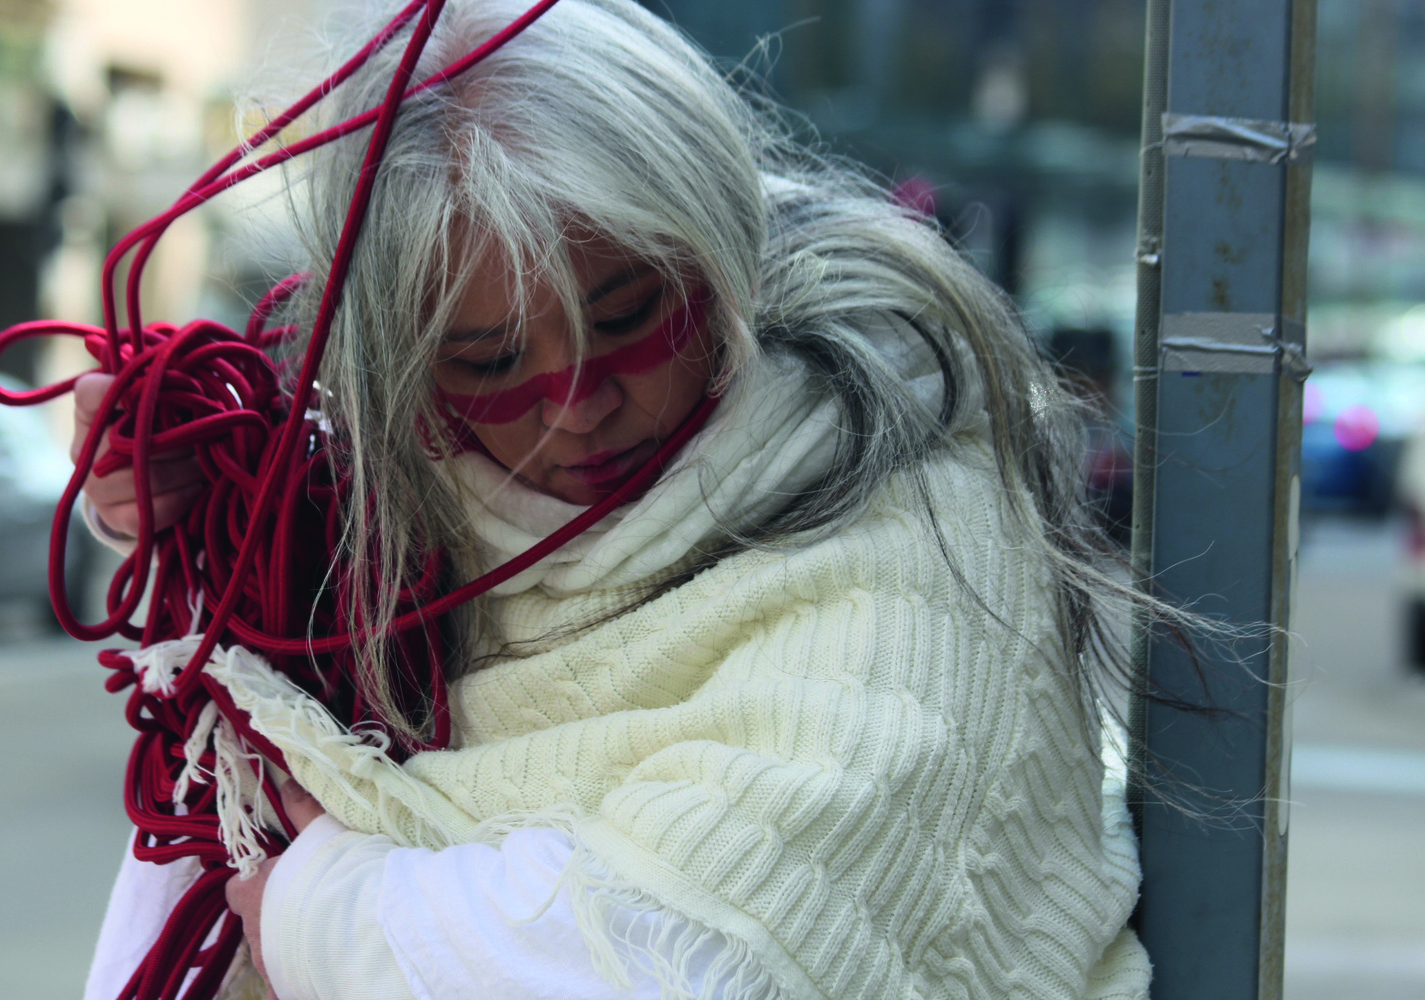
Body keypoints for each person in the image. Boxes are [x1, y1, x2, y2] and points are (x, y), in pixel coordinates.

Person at [73, 1, 1151, 997]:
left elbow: (709, 953)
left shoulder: (915, 506)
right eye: (490, 362)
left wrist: (330, 914)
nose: (576, 407)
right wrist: (192, 488)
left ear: (725, 261)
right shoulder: (395, 501)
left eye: (633, 315)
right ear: (402, 374)